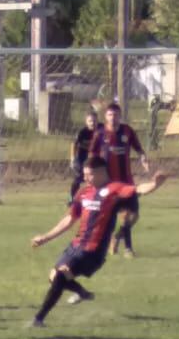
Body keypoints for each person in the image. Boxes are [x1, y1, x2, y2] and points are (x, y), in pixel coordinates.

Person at [29, 156, 167, 327]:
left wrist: (155, 185)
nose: (85, 178)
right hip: (75, 245)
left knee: (60, 276)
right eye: (85, 174)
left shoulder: (115, 189)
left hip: (93, 251)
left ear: (102, 172)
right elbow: (70, 219)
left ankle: (38, 319)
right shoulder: (84, 192)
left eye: (89, 175)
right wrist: (46, 237)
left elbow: (138, 189)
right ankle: (82, 293)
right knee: (53, 277)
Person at [90, 103, 150, 258]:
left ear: (120, 115)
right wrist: (92, 174)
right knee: (120, 216)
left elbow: (138, 148)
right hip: (109, 184)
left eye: (115, 114)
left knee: (134, 215)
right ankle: (128, 250)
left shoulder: (127, 131)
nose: (113, 117)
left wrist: (143, 158)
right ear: (105, 116)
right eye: (110, 114)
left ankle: (116, 237)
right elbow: (92, 155)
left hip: (127, 181)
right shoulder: (100, 134)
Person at [68, 110, 99, 203]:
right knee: (78, 178)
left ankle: (95, 197)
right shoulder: (82, 132)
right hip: (82, 158)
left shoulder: (101, 129)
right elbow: (73, 144)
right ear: (86, 122)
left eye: (94, 121)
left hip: (95, 157)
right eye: (90, 121)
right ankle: (72, 198)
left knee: (96, 178)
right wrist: (72, 159)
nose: (92, 123)